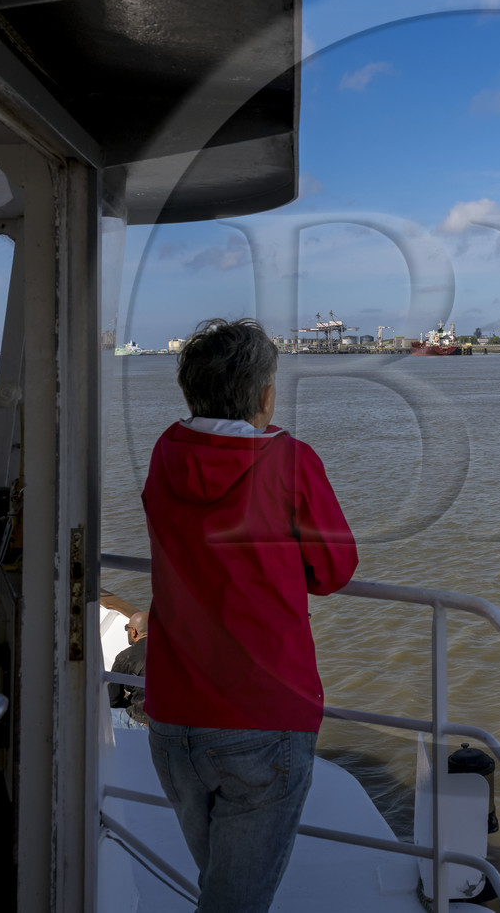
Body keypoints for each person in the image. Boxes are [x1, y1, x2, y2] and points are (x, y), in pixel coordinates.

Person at [142, 317, 358, 912]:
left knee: (222, 888)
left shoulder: (166, 453)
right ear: (264, 394)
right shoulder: (289, 461)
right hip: (263, 719)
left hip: (173, 717)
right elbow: (334, 571)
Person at [108, 610, 149, 727]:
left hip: (146, 721)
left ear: (134, 632)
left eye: (128, 628)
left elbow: (113, 700)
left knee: (101, 711)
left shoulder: (125, 657)